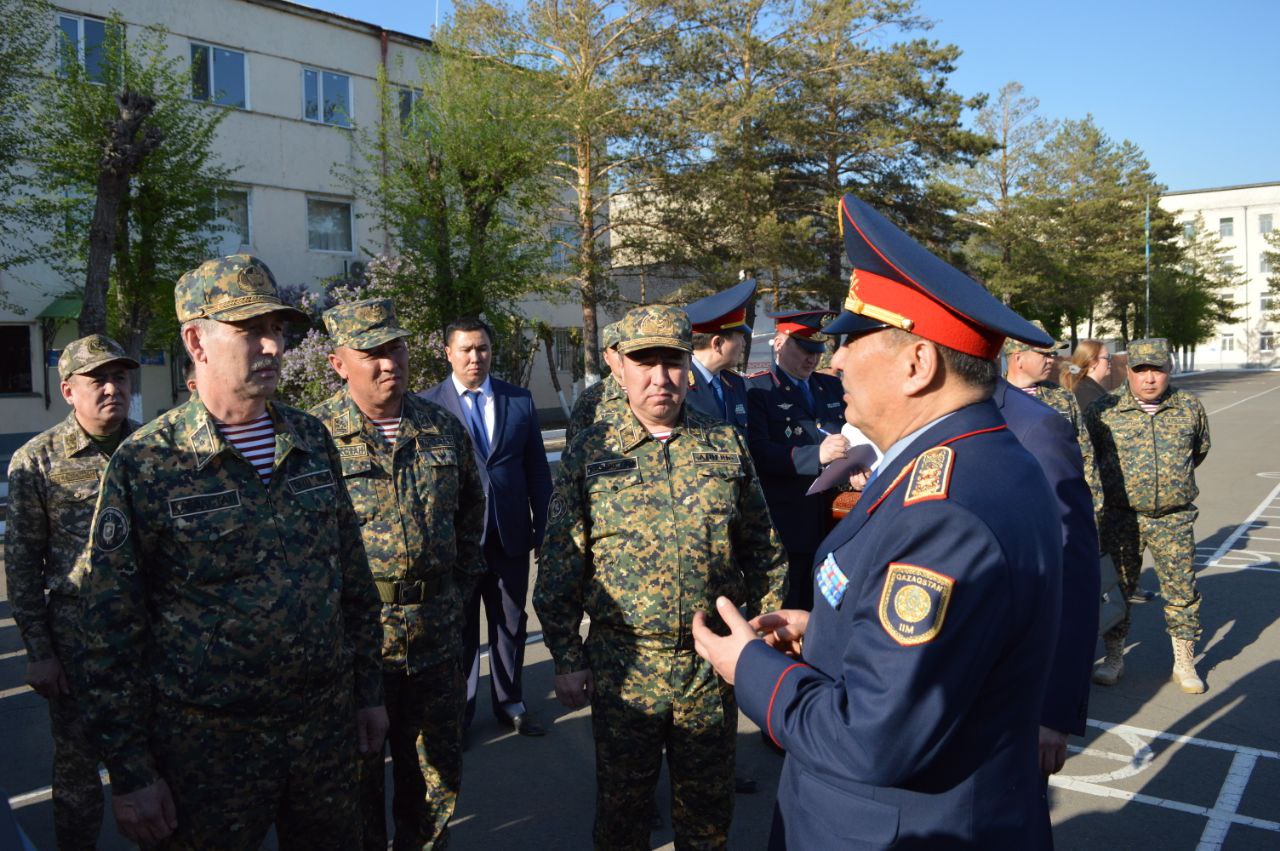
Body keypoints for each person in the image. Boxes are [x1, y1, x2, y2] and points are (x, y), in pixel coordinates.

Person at [692, 194, 1062, 850]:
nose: (834, 362)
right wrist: (826, 631)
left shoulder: (946, 510)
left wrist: (747, 663)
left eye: (851, 342)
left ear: (917, 364)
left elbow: (870, 736)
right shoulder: (979, 461)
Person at [77, 254, 388, 849]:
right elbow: (110, 633)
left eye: (277, 329)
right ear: (196, 339)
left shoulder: (311, 439)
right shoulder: (148, 462)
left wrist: (368, 694)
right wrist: (132, 772)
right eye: (250, 330)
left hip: (321, 733)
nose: (272, 345)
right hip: (207, 751)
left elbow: (352, 582)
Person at [534, 304, 787, 850]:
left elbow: (764, 547)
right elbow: (560, 561)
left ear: (688, 366)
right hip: (625, 666)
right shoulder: (590, 452)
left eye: (671, 361)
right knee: (623, 813)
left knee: (707, 813)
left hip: (709, 663)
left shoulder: (723, 445)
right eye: (644, 362)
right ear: (619, 367)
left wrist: (758, 638)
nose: (659, 378)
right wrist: (566, 655)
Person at [312, 300, 487, 849]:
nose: (390, 362)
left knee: (435, 781)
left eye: (396, 347)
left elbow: (470, 515)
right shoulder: (313, 437)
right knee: (356, 784)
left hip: (435, 636)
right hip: (355, 646)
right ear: (339, 363)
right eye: (372, 353)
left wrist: (455, 596)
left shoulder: (441, 428)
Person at [4, 334, 139, 850]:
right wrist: (39, 652)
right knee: (80, 777)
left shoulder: (154, 449)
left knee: (165, 764)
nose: (112, 388)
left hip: (153, 637)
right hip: (77, 642)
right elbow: (22, 564)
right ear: (68, 391)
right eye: (97, 379)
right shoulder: (36, 462)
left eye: (120, 377)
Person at [421, 316, 553, 738]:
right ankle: (459, 715)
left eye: (482, 349)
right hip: (458, 544)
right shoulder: (426, 406)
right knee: (459, 631)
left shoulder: (519, 401)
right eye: (466, 349)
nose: (475, 357)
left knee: (511, 624)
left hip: (509, 537)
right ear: (448, 353)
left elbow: (537, 472)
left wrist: (543, 530)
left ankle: (510, 702)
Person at [1086, 338, 1211, 694]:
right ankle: (1114, 657)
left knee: (1182, 589)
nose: (1150, 378)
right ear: (1128, 372)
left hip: (1173, 518)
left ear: (1169, 370)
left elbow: (1199, 450)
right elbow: (1089, 459)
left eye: (1158, 369)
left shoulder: (1189, 408)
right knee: (1117, 590)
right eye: (1141, 370)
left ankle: (1184, 662)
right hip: (1120, 518)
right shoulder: (1103, 411)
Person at [992, 378, 1100, 793]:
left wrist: (1054, 709)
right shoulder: (919, 423)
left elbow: (1070, 571)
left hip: (1006, 704)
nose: (837, 359)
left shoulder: (1033, 427)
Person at [746, 310, 848, 610]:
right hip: (788, 523)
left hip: (834, 519)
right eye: (804, 349)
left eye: (817, 350)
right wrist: (815, 455)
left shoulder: (830, 387)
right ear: (778, 343)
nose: (812, 358)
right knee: (787, 610)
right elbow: (759, 453)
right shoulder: (758, 389)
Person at [1004, 325, 1103, 513]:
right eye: (1045, 355)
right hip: (1013, 511)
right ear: (1018, 358)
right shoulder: (991, 398)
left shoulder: (1062, 397)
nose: (1052, 360)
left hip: (1061, 508)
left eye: (1052, 354)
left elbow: (1085, 453)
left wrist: (1093, 505)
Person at [684, 279, 754, 430]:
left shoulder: (734, 382)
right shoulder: (679, 383)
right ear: (717, 344)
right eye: (741, 337)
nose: (744, 344)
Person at [564, 321, 626, 442]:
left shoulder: (659, 390)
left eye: (627, 349)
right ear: (606, 357)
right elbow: (574, 451)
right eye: (616, 351)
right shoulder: (590, 400)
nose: (623, 356)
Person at [1061, 339, 1112, 410]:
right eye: (1107, 357)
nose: (1110, 361)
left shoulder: (1084, 387)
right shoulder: (1088, 394)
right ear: (1092, 362)